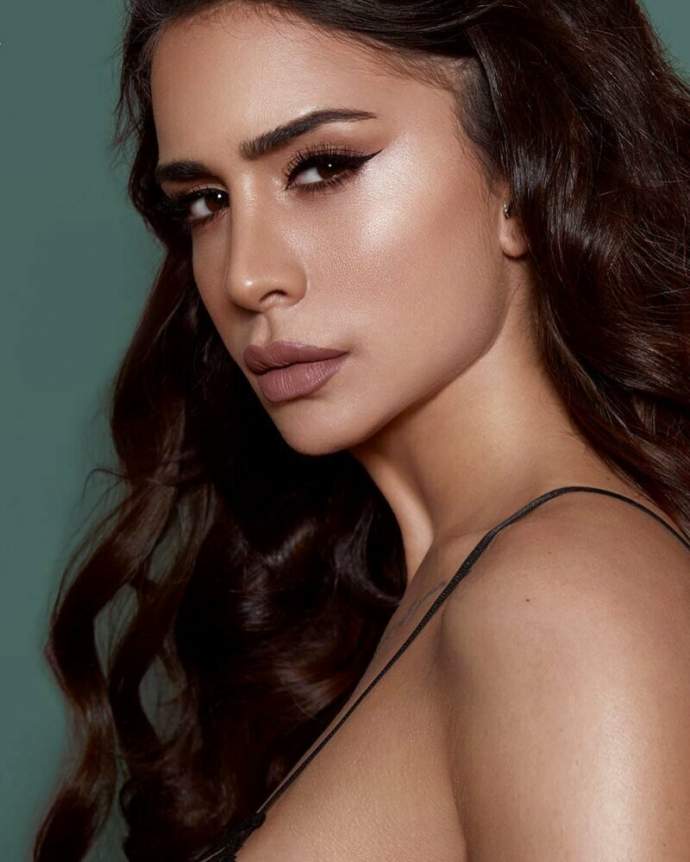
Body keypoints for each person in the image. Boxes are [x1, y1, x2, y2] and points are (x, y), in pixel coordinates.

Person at [34, 1, 690, 860]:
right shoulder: (438, 588)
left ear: (522, 174)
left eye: (322, 167)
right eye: (205, 202)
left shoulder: (564, 599)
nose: (246, 277)